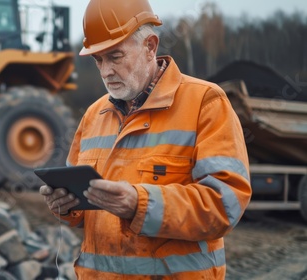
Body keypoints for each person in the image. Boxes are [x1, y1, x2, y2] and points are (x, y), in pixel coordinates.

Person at [39, 0, 252, 279]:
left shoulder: (205, 103)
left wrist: (139, 204)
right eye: (98, 60)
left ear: (150, 46)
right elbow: (81, 209)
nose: (105, 72)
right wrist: (65, 207)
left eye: (115, 57)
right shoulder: (93, 115)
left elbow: (225, 204)